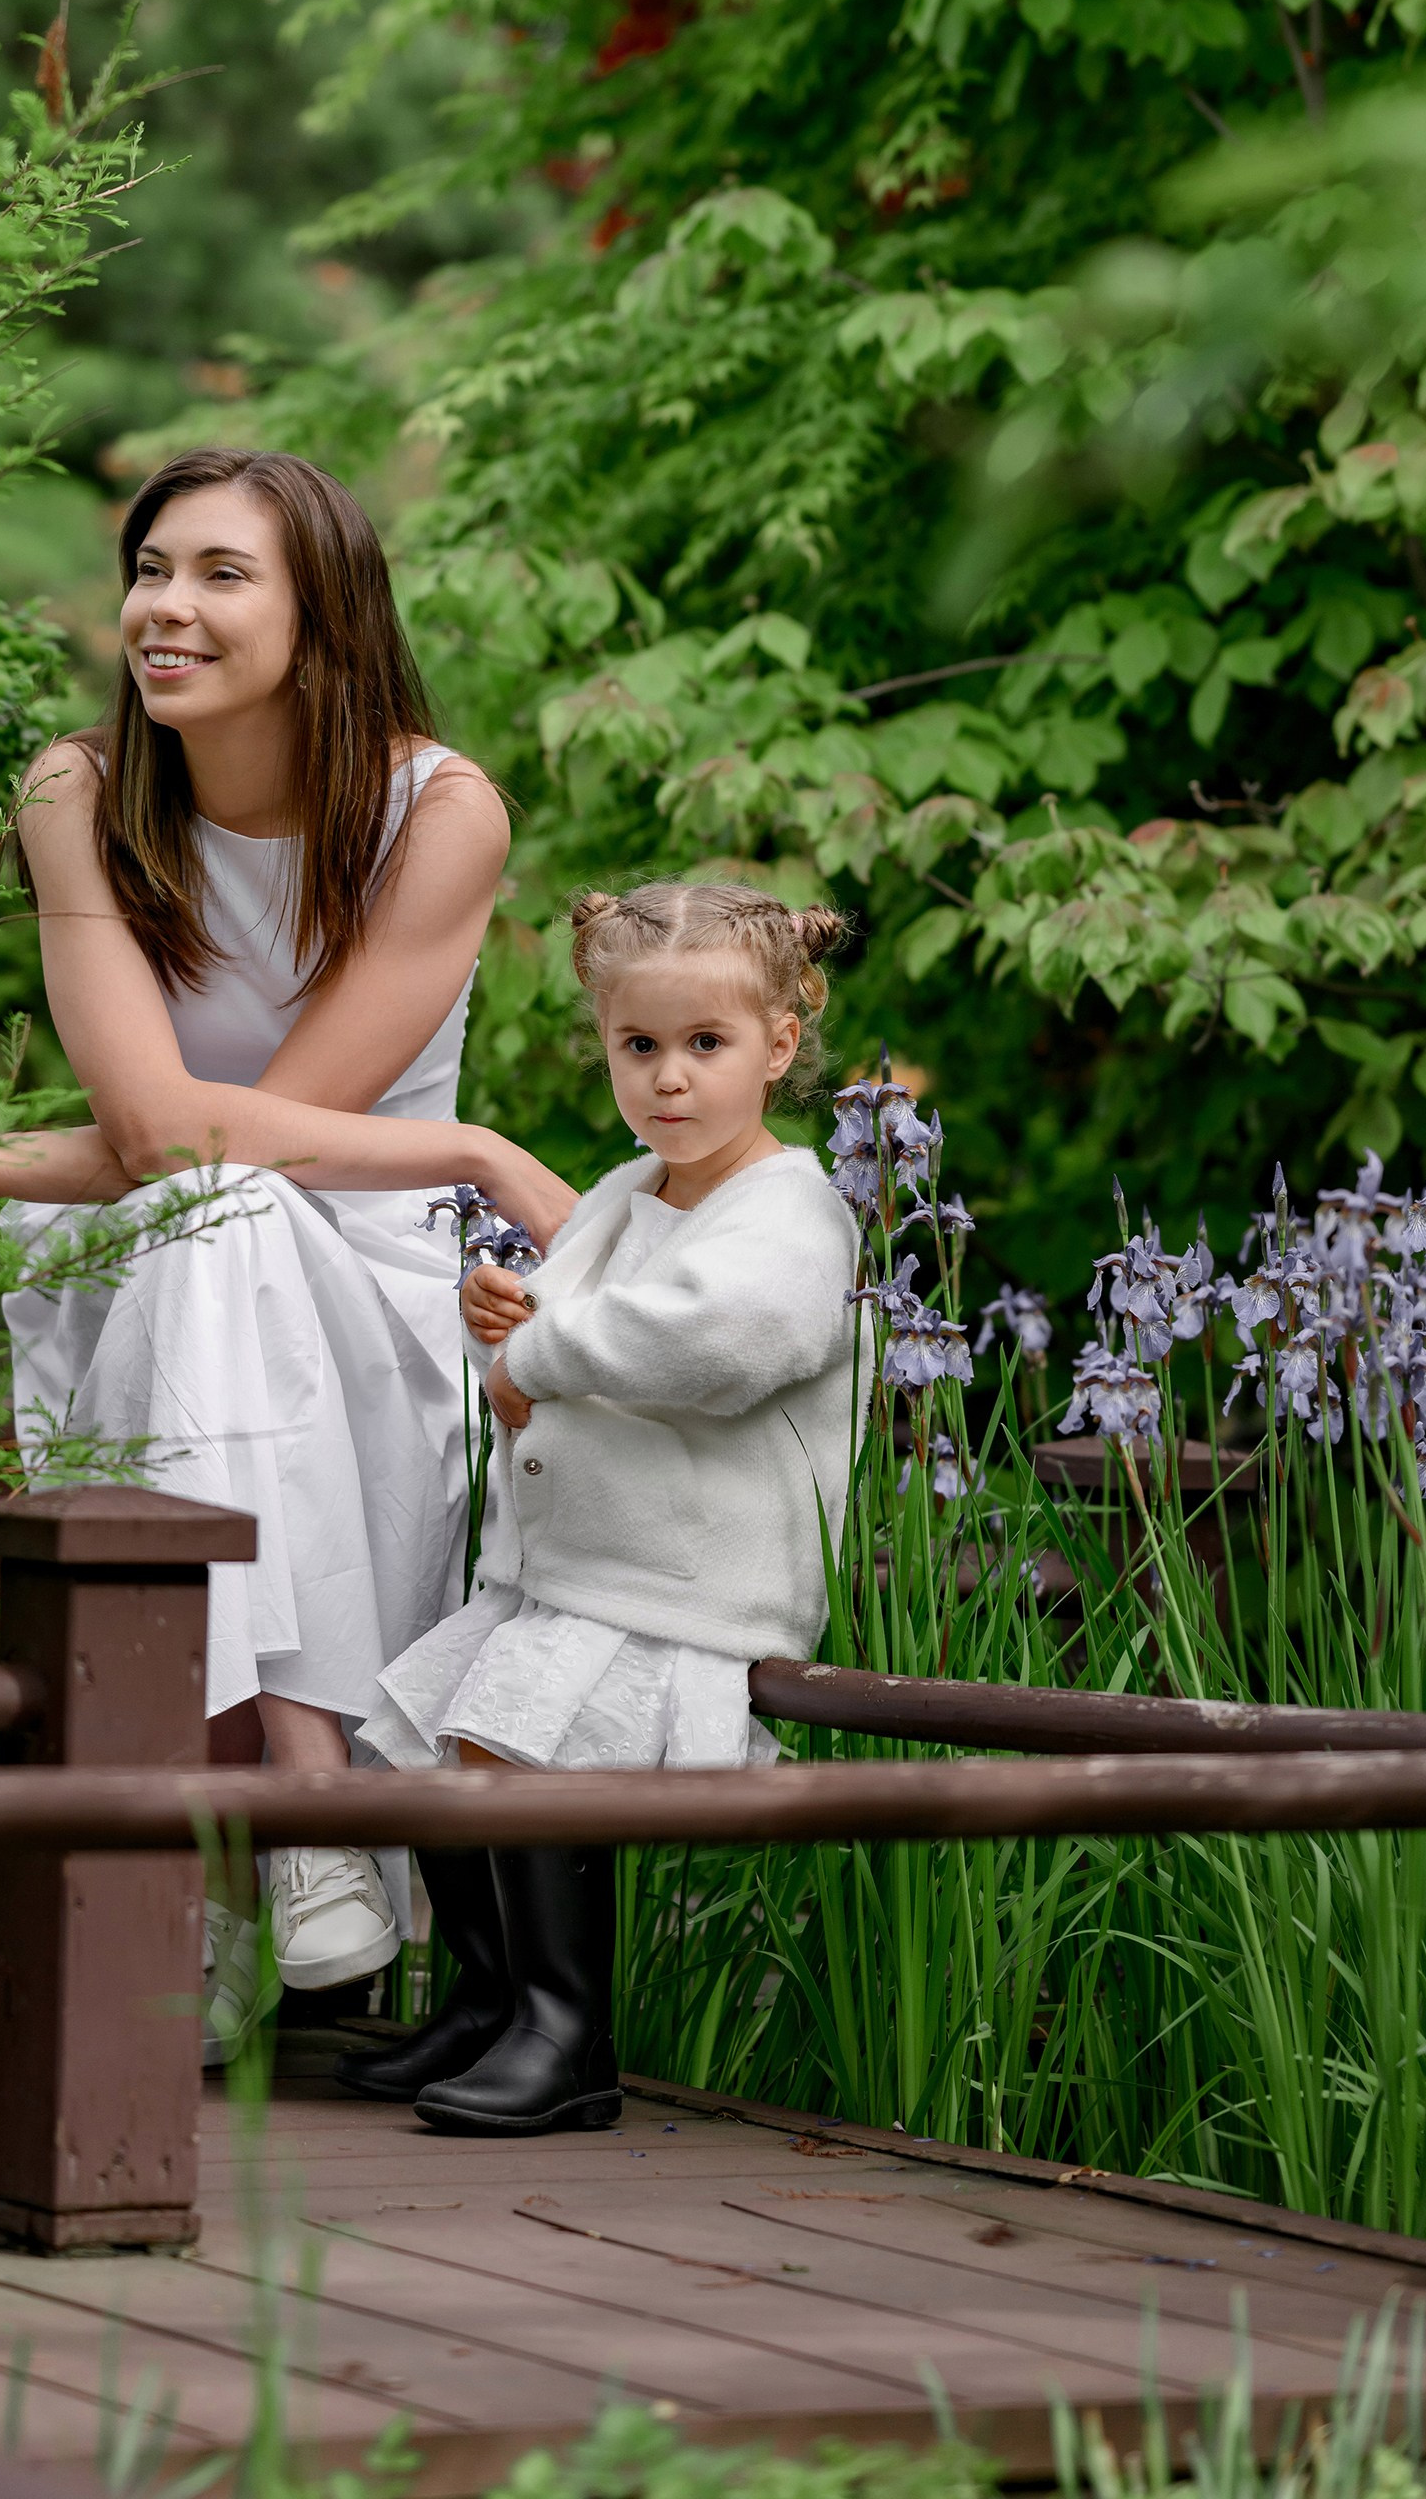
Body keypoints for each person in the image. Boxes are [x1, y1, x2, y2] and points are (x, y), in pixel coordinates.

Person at [0, 447, 574, 2036]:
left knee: (231, 1203)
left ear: (325, 623)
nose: (164, 608)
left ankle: (262, 1842)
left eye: (221, 575)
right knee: (212, 1211)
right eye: (152, 568)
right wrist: (472, 1140)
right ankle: (305, 1804)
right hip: (147, 1262)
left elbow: (233, 1136)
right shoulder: (82, 794)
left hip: (379, 1281)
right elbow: (167, 1135)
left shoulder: (435, 813)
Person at [342, 878, 860, 2141]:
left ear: (779, 1047)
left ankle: (566, 2034)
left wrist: (547, 1343)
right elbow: (548, 1365)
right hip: (574, 1574)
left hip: (686, 1583)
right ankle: (486, 1997)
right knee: (426, 1741)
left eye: (705, 1046)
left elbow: (724, 1342)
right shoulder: (628, 1195)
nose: (669, 1079)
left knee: (507, 1755)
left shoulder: (792, 1210)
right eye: (641, 1047)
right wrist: (499, 1339)